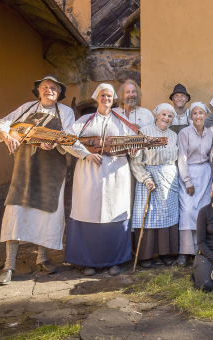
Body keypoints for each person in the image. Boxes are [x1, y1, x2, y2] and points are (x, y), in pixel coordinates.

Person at [0, 75, 75, 285]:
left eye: (54, 88)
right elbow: (3, 123)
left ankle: (43, 258)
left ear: (59, 93)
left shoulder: (65, 112)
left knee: (46, 213)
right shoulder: (27, 108)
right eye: (45, 87)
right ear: (39, 91)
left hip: (51, 173)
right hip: (25, 169)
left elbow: (70, 138)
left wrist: (55, 143)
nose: (49, 90)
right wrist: (7, 136)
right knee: (16, 213)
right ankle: (9, 264)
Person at [64, 83, 138, 276]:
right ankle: (87, 262)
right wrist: (85, 154)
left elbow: (135, 144)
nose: (106, 99)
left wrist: (133, 149)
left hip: (115, 174)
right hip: (89, 173)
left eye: (110, 96)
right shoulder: (85, 120)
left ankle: (115, 261)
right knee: (88, 211)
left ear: (114, 99)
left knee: (114, 212)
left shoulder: (122, 121)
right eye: (103, 95)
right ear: (97, 97)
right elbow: (66, 140)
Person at [130, 103, 180, 268]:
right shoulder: (144, 132)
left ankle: (166, 253)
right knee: (150, 216)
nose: (166, 118)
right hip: (150, 178)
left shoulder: (173, 135)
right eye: (164, 115)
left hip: (169, 179)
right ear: (157, 115)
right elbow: (136, 160)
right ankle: (146, 255)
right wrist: (145, 178)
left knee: (167, 216)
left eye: (170, 116)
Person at [177, 102, 213, 267]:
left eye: (201, 113)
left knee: (202, 213)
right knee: (187, 211)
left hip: (205, 175)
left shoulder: (211, 133)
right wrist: (187, 181)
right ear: (190, 116)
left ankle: (201, 250)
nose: (198, 116)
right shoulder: (185, 133)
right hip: (189, 173)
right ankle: (185, 251)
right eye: (194, 113)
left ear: (205, 115)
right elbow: (182, 157)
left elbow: (212, 157)